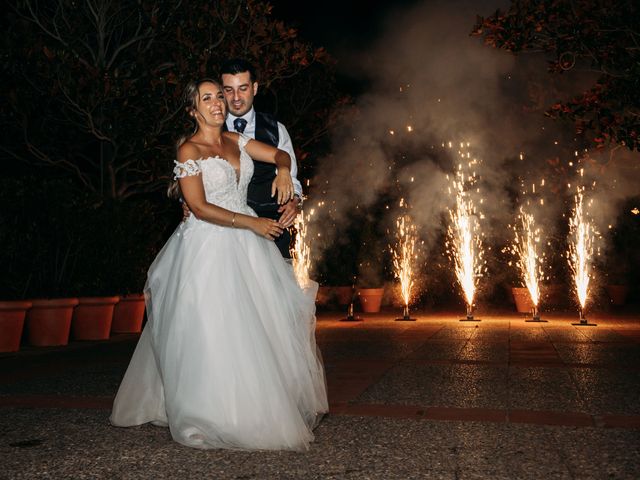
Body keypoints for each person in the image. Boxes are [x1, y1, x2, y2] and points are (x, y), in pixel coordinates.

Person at [110, 79, 328, 451]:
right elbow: (198, 207)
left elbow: (281, 155)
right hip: (207, 244)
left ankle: (251, 402)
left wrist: (281, 169)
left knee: (254, 324)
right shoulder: (188, 149)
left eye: (219, 96)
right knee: (212, 328)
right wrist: (253, 223)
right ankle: (206, 411)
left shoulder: (235, 141)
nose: (217, 102)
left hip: (246, 244)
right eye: (206, 97)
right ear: (193, 109)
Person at [221, 58, 303, 258]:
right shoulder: (210, 130)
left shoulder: (276, 129)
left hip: (270, 229)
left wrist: (294, 201)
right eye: (229, 90)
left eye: (243, 88)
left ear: (255, 88)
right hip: (225, 232)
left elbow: (292, 179)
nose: (236, 97)